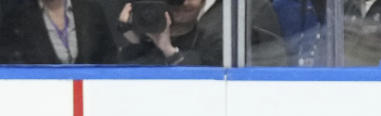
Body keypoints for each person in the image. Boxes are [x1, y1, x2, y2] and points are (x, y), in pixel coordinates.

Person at [118, 0, 286, 66]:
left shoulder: (247, 9)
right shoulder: (152, 24)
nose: (183, 4)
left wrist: (170, 52)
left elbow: (274, 73)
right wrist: (137, 40)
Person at [0, 0, 117, 64]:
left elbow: (109, 55)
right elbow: (0, 59)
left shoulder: (91, 10)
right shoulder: (17, 18)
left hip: (88, 97)